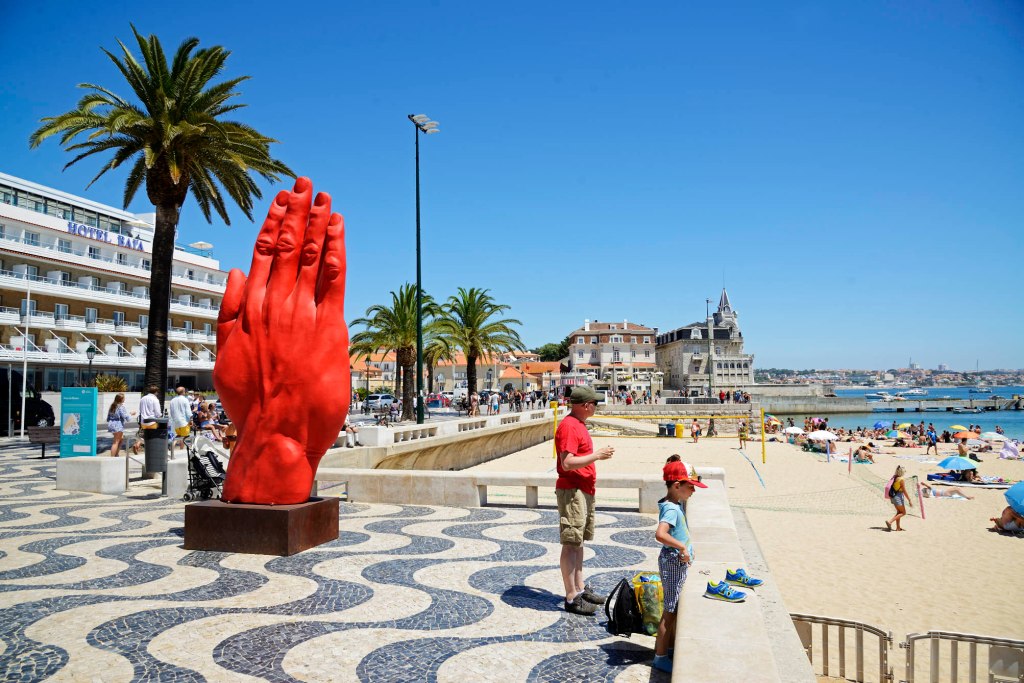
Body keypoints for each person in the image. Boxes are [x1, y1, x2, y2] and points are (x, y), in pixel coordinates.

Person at [555, 386, 614, 615]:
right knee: (571, 543)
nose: (596, 406)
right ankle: (571, 597)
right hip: (573, 490)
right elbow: (567, 463)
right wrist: (597, 455)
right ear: (585, 405)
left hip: (584, 489)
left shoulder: (578, 425)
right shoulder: (569, 426)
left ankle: (580, 588)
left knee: (578, 542)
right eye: (594, 402)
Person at [652, 460, 707, 674]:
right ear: (677, 486)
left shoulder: (672, 503)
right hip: (673, 563)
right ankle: (660, 657)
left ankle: (669, 649)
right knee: (670, 610)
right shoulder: (672, 510)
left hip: (674, 561)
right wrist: (682, 547)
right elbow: (660, 534)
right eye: (690, 486)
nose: (693, 490)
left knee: (674, 609)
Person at [106, 393, 135, 457]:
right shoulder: (121, 407)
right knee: (116, 442)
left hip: (112, 424)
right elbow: (126, 417)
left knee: (120, 439)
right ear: (121, 399)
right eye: (124, 398)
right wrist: (131, 414)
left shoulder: (112, 406)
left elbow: (108, 417)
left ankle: (116, 454)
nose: (124, 399)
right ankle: (113, 457)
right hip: (118, 425)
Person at [885, 465, 912, 531]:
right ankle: (890, 522)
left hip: (893, 496)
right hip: (898, 497)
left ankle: (898, 528)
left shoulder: (895, 477)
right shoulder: (901, 479)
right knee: (903, 513)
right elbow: (904, 491)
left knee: (899, 512)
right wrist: (909, 500)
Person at [168, 387, 192, 457]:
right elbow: (188, 412)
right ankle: (182, 451)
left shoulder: (172, 400)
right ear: (183, 392)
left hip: (175, 423)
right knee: (185, 437)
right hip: (183, 422)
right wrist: (191, 420)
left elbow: (171, 412)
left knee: (178, 437)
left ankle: (173, 447)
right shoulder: (185, 400)